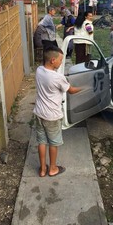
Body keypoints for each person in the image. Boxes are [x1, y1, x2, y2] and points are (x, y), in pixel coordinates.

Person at [34, 46, 82, 177]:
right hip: (52, 116)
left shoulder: (39, 70)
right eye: (60, 60)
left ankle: (43, 169)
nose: (61, 62)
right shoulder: (57, 77)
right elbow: (71, 90)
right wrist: (83, 88)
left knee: (42, 141)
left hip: (39, 113)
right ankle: (53, 168)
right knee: (53, 143)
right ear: (53, 60)